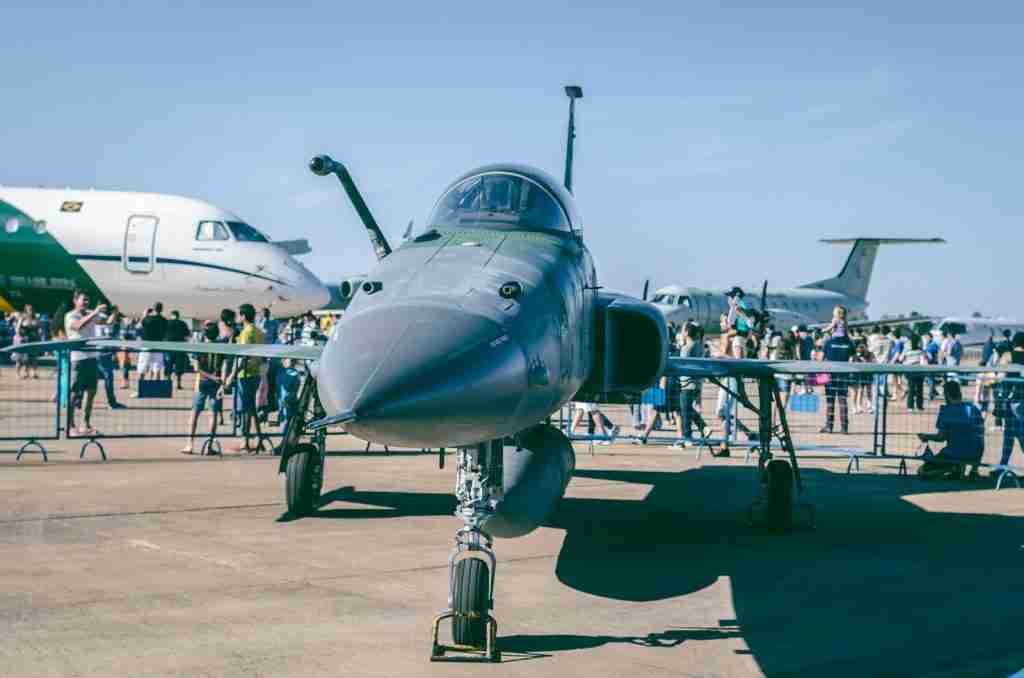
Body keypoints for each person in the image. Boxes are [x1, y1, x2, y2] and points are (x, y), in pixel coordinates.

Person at [917, 381, 984, 479]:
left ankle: (953, 468)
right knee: (973, 440)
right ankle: (971, 470)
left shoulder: (946, 411)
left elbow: (941, 437)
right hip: (974, 454)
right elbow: (981, 435)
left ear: (947, 395)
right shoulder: (974, 409)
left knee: (922, 471)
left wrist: (926, 436)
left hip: (953, 454)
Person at [223, 303, 266, 453]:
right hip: (256, 373)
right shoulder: (259, 332)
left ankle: (247, 441)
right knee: (251, 408)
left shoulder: (246, 333)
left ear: (243, 316)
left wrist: (231, 376)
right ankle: (256, 439)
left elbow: (242, 357)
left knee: (247, 409)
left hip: (245, 374)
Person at [65, 290, 106, 436]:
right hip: (78, 358)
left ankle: (85, 424)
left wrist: (115, 312)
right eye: (84, 300)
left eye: (88, 300)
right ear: (75, 300)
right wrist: (94, 312)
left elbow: (106, 321)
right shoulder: (71, 315)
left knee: (91, 392)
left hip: (92, 357)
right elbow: (78, 326)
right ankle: (69, 426)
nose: (86, 303)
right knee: (74, 393)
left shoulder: (90, 313)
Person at [182, 322, 227, 454]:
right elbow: (225, 365)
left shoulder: (200, 346)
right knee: (212, 414)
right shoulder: (222, 346)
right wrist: (221, 381)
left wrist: (212, 377)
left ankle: (189, 444)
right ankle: (209, 445)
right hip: (215, 383)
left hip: (201, 382)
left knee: (195, 413)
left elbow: (197, 368)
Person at [995, 332, 1024, 472]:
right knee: (1016, 433)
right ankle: (1002, 465)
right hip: (1022, 399)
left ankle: (1002, 466)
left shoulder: (1008, 356)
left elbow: (1000, 376)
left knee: (1011, 435)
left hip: (1011, 399)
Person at [820, 333, 853, 434]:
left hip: (830, 374)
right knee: (842, 400)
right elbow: (853, 358)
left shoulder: (829, 342)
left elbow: (822, 359)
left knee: (830, 400)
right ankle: (844, 427)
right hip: (844, 374)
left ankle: (829, 426)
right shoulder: (849, 343)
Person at [138, 303, 169, 380]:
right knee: (157, 368)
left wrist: (144, 315)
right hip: (158, 345)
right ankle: (156, 388)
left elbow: (138, 326)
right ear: (161, 309)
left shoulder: (147, 319)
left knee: (142, 367)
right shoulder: (164, 320)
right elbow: (165, 332)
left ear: (153, 309)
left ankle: (141, 387)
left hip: (146, 345)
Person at [165, 310, 191, 389]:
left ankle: (168, 382)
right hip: (180, 348)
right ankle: (178, 384)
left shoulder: (167, 323)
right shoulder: (183, 323)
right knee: (179, 368)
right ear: (178, 316)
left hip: (169, 348)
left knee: (169, 366)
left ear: (172, 315)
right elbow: (187, 335)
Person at [14, 305, 42, 379]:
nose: (31, 311)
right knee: (20, 359)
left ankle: (32, 373)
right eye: (29, 309)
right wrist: (21, 335)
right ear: (26, 310)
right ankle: (18, 374)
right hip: (23, 340)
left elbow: (39, 328)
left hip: (33, 340)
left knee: (33, 358)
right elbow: (17, 330)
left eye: (32, 309)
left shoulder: (36, 318)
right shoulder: (22, 318)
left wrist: (39, 333)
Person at [901, 334, 926, 411]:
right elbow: (923, 362)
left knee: (911, 388)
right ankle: (919, 406)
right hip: (919, 371)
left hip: (909, 371)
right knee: (920, 389)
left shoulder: (906, 350)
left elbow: (901, 358)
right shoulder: (920, 351)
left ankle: (910, 406)